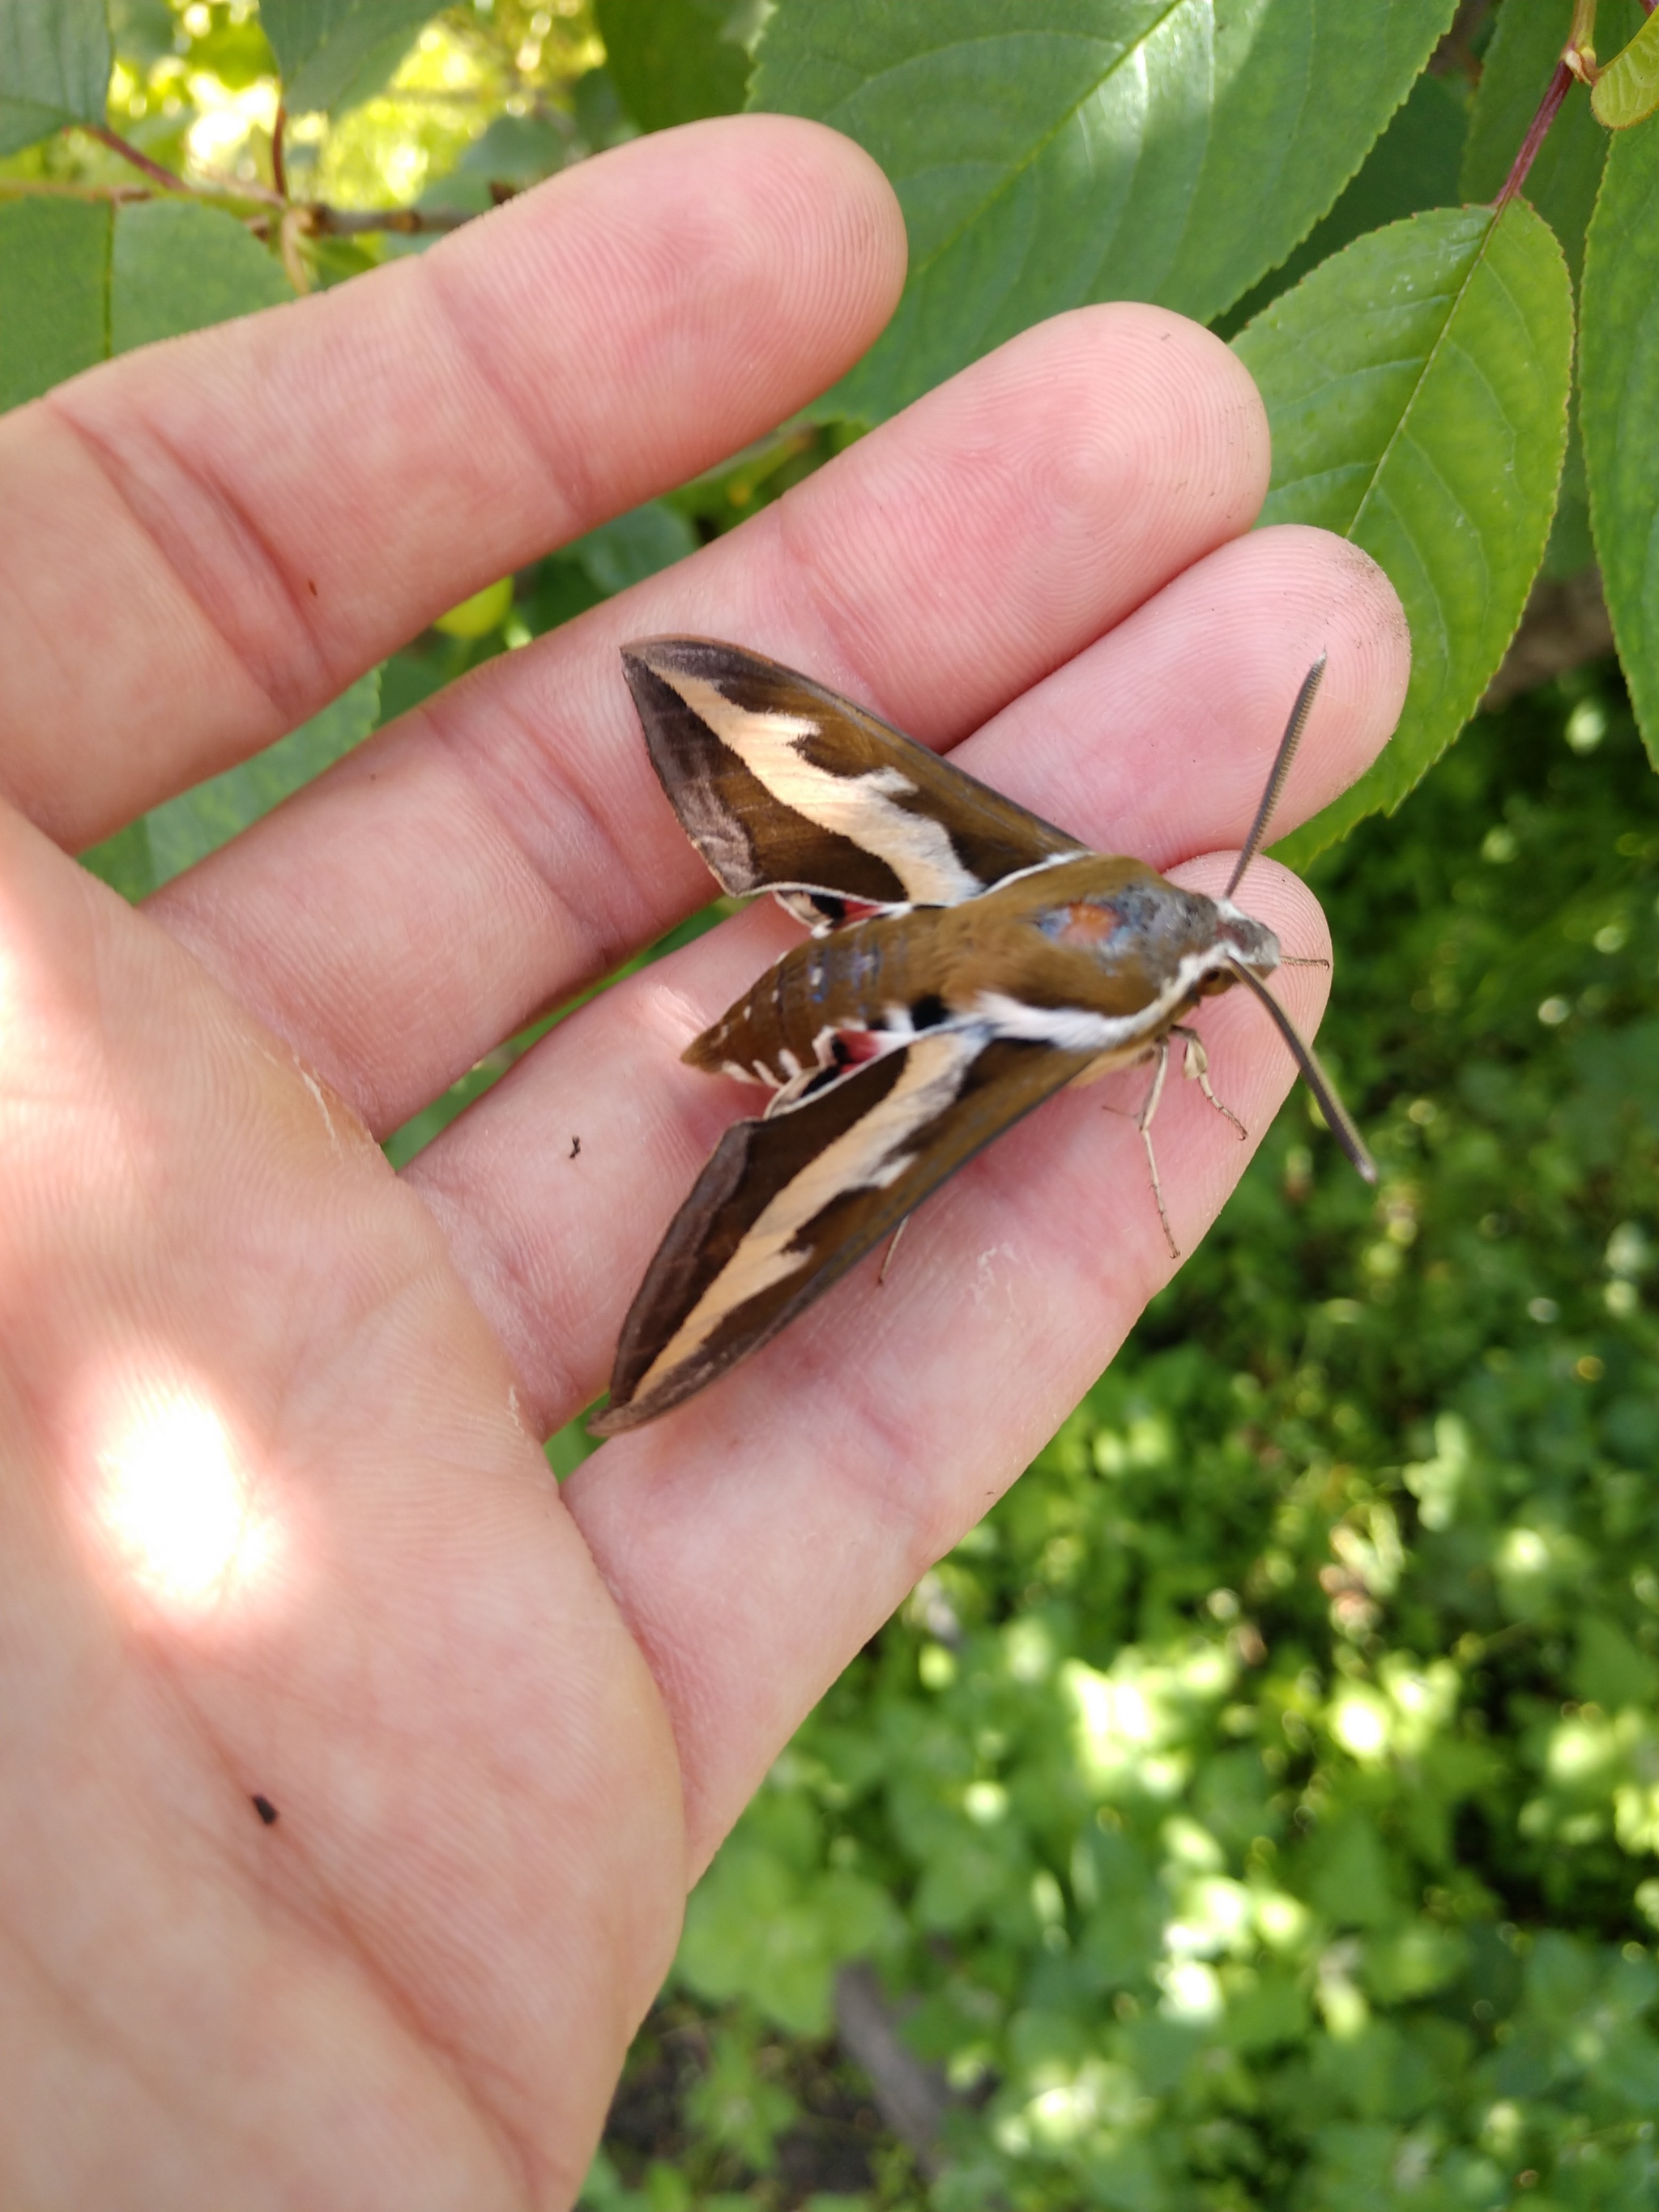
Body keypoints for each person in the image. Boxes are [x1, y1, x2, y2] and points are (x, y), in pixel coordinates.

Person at [0, 114, 1407, 2206]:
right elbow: (761, 735)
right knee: (831, 1195)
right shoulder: (1104, 1010)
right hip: (870, 976)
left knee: (827, 1173)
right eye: (1192, 959)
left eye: (1193, 976)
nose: (1203, 958)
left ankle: (783, 1132)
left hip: (882, 927)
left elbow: (730, 710)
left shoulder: (1047, 897)